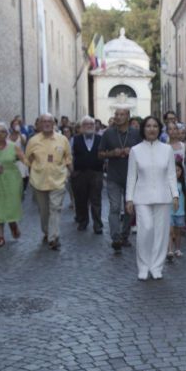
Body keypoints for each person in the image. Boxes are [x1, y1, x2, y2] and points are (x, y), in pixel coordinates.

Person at [125, 116, 178, 281]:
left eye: (155, 126)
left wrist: (175, 195)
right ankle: (143, 266)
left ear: (159, 129)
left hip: (163, 196)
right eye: (148, 126)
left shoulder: (167, 149)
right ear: (143, 129)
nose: (152, 129)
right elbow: (131, 177)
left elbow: (171, 175)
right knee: (146, 229)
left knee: (161, 234)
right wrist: (129, 199)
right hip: (142, 197)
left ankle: (156, 266)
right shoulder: (135, 150)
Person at [98, 107, 142, 253]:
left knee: (129, 208)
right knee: (115, 207)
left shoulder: (136, 133)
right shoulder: (108, 133)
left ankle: (125, 236)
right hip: (113, 177)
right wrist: (112, 153)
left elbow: (144, 152)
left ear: (128, 117)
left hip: (132, 177)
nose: (118, 117)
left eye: (121, 114)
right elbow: (100, 154)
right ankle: (115, 238)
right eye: (116, 114)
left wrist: (133, 152)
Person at [26, 113, 72, 250]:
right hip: (39, 181)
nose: (46, 124)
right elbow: (27, 160)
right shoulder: (33, 141)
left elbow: (68, 157)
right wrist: (32, 172)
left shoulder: (62, 140)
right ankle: (47, 231)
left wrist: (70, 171)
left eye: (49, 121)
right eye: (43, 121)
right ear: (39, 124)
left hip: (58, 180)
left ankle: (54, 237)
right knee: (44, 211)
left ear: (53, 124)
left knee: (55, 208)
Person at [71, 116, 104, 234]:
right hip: (80, 174)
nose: (89, 126)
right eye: (86, 124)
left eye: (91, 124)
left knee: (96, 200)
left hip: (96, 173)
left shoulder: (101, 139)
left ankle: (97, 224)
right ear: (81, 127)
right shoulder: (75, 139)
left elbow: (104, 154)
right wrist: (72, 171)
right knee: (81, 199)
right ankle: (83, 221)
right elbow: (70, 155)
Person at [168, 161, 186, 261]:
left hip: (180, 212)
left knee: (178, 232)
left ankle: (178, 249)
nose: (176, 172)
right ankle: (170, 250)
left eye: (178, 170)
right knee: (170, 232)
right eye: (174, 170)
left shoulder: (183, 183)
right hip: (169, 211)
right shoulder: (167, 183)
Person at [8, 116, 29, 195]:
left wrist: (19, 132)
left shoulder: (22, 136)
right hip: (11, 161)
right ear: (11, 126)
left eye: (17, 124)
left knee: (22, 178)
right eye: (14, 124)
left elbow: (24, 143)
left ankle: (22, 191)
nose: (16, 125)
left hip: (20, 160)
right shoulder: (8, 136)